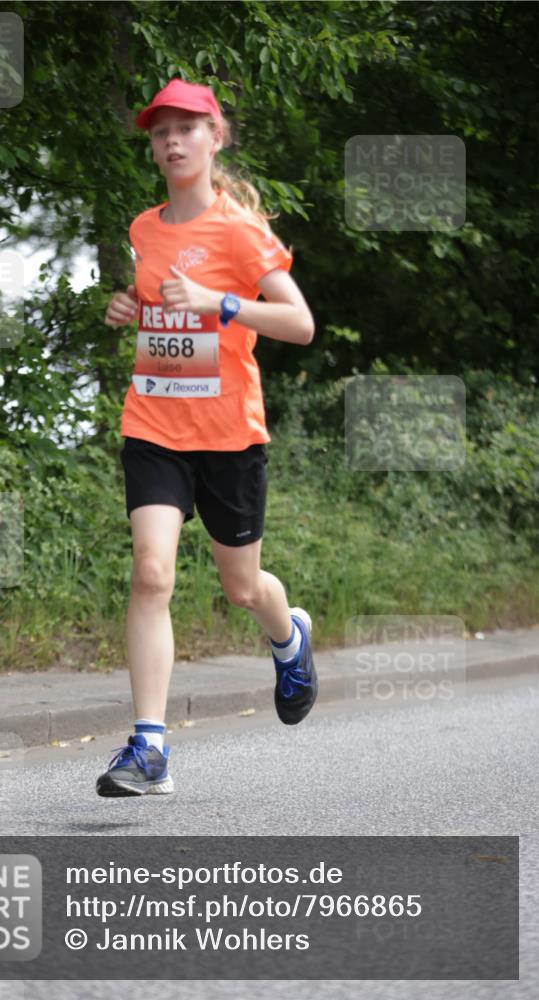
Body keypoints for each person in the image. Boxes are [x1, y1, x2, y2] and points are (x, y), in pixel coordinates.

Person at [97, 79, 317, 797]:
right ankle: (149, 750)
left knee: (242, 587)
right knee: (151, 572)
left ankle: (288, 637)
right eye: (160, 132)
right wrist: (132, 309)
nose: (171, 142)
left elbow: (299, 324)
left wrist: (219, 302)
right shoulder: (144, 228)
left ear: (214, 138)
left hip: (227, 434)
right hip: (154, 422)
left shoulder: (239, 229)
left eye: (186, 128)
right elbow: (164, 312)